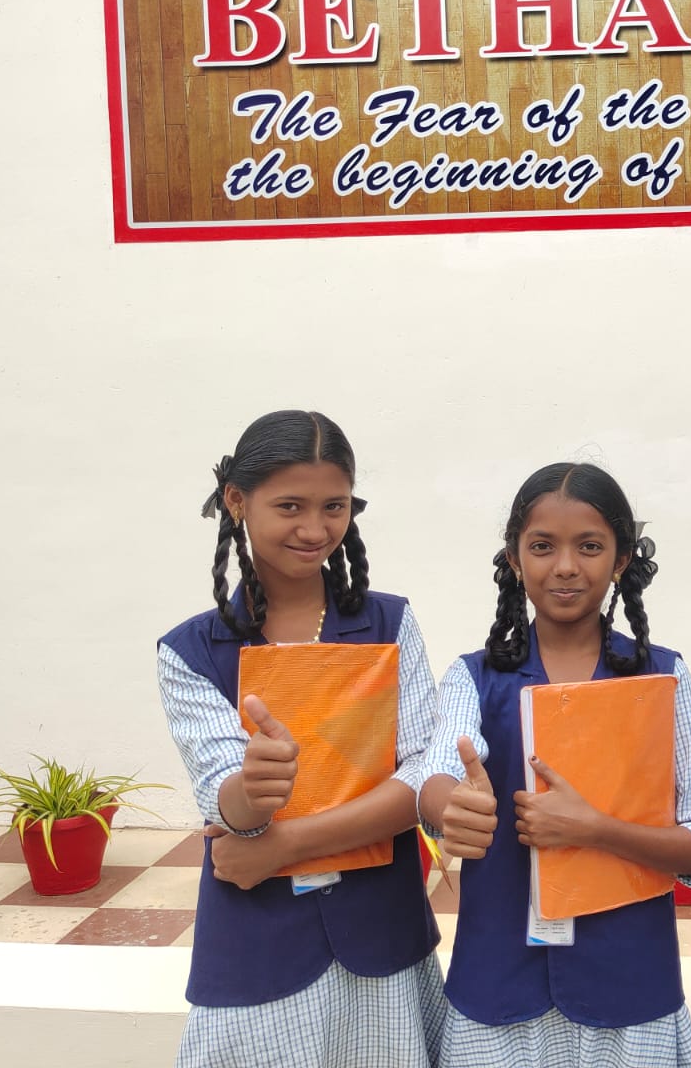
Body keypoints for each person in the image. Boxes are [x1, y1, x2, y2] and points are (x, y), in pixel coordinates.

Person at [418, 462, 691, 1067]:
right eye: (542, 546)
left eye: (589, 546)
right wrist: (449, 804)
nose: (565, 566)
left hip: (630, 988)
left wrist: (596, 830)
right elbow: (438, 774)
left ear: (620, 560)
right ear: (514, 559)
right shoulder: (473, 677)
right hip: (499, 988)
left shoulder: (664, 679)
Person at [157, 410, 444, 1068]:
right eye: (290, 506)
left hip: (381, 934)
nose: (315, 530)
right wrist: (251, 790)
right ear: (237, 501)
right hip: (259, 945)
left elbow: (420, 775)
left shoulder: (389, 624)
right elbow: (227, 809)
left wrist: (285, 842)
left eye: (333, 507)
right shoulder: (192, 651)